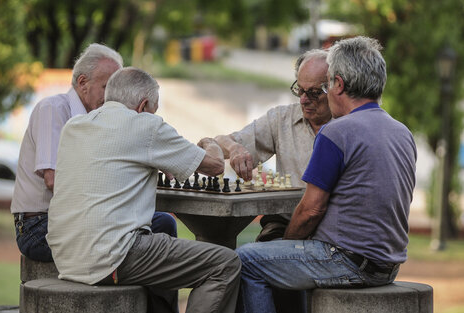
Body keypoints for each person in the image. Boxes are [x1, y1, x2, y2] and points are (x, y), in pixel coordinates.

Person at [235, 36, 417, 313]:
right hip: (388, 265)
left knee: (245, 259)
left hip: (345, 260)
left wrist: (287, 245)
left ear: (339, 84)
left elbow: (310, 210)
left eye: (327, 83)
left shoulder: (337, 132)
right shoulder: (401, 132)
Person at [46, 67, 241, 313]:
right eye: (154, 110)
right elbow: (214, 166)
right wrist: (210, 143)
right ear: (144, 105)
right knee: (225, 263)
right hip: (113, 256)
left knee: (162, 230)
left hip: (66, 257)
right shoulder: (145, 125)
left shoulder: (74, 126)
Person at [10, 43, 177, 263]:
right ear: (83, 83)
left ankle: (152, 299)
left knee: (162, 223)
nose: (113, 97)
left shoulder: (101, 120)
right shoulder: (53, 109)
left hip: (82, 221)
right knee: (147, 232)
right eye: (107, 87)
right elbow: (54, 179)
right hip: (40, 226)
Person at [214, 49, 331, 242]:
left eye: (314, 93)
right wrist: (235, 148)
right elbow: (220, 142)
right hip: (285, 224)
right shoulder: (281, 119)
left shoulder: (348, 125)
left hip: (330, 229)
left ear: (334, 88)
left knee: (245, 260)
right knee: (243, 260)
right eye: (300, 90)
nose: (303, 99)